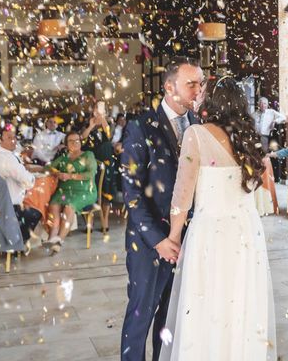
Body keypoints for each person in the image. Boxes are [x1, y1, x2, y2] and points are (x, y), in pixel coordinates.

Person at [159, 76, 276, 360]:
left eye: (203, 92)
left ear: (213, 101)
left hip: (211, 233)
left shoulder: (196, 135)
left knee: (208, 303)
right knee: (241, 303)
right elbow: (263, 183)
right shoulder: (250, 138)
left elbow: (182, 196)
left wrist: (174, 237)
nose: (197, 95)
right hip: (246, 234)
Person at [120, 57, 203, 361]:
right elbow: (131, 192)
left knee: (169, 318)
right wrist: (159, 239)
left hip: (187, 239)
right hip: (148, 241)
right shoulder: (140, 127)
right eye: (191, 83)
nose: (198, 90)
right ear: (169, 87)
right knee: (140, 316)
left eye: (201, 83)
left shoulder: (199, 125)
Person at [0, 124, 39, 247]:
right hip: (8, 209)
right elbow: (27, 181)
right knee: (36, 212)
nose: (14, 140)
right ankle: (17, 244)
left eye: (14, 137)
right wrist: (32, 176)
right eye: (9, 138)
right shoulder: (7, 158)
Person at [45, 131, 97, 253]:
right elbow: (49, 167)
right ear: (66, 144)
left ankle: (59, 240)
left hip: (84, 190)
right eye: (71, 141)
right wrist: (57, 173)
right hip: (64, 190)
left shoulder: (88, 155)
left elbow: (90, 174)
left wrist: (69, 176)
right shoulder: (63, 158)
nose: (75, 143)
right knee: (53, 204)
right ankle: (52, 236)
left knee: (69, 206)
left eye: (77, 140)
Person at [82, 109, 115, 233]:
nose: (98, 114)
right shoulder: (87, 126)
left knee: (106, 193)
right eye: (96, 111)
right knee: (89, 192)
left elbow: (109, 136)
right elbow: (82, 139)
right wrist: (91, 126)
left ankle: (104, 221)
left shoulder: (108, 124)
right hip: (90, 163)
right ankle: (88, 223)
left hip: (106, 162)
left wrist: (103, 121)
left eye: (101, 112)